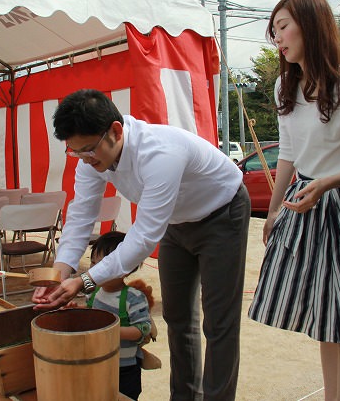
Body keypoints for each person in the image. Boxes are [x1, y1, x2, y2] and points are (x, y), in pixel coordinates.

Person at [33, 88, 250, 401]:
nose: (85, 159)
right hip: (176, 221)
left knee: (219, 322)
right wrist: (59, 273)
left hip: (222, 212)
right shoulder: (91, 159)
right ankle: (184, 396)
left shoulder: (160, 153)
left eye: (89, 150)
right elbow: (81, 216)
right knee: (177, 317)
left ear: (116, 131)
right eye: (75, 152)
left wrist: (85, 280)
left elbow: (144, 237)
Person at [247, 0, 340, 401]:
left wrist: (325, 185)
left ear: (312, 24)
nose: (278, 38)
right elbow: (288, 153)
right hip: (303, 204)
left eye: (283, 26)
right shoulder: (286, 90)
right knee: (324, 319)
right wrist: (271, 211)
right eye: (274, 31)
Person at [85, 231, 152, 400]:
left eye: (101, 266)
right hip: (97, 363)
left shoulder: (133, 298)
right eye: (92, 263)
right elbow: (89, 313)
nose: (93, 271)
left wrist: (111, 331)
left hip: (124, 369)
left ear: (124, 269)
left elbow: (143, 330)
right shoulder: (93, 292)